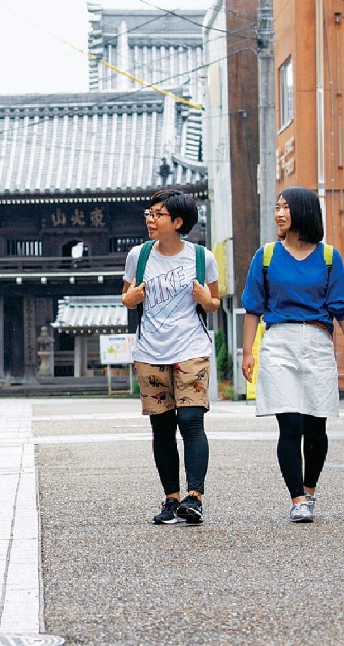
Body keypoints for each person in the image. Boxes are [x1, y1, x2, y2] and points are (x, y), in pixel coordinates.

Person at [240, 187, 344, 524]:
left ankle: (309, 490)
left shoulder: (328, 257)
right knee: (290, 422)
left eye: (285, 208)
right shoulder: (265, 256)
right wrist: (247, 352)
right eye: (277, 207)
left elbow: (343, 307)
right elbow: (253, 307)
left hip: (319, 342)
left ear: (304, 212)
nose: (278, 213)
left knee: (316, 424)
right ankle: (297, 499)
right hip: (279, 341)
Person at [121, 189, 220, 525]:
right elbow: (128, 297)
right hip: (150, 350)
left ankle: (194, 498)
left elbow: (214, 302)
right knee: (161, 427)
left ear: (178, 222)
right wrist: (130, 297)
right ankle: (171, 498)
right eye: (149, 213)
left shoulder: (202, 257)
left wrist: (207, 299)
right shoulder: (139, 255)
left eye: (158, 214)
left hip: (191, 347)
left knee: (191, 421)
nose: (151, 219)